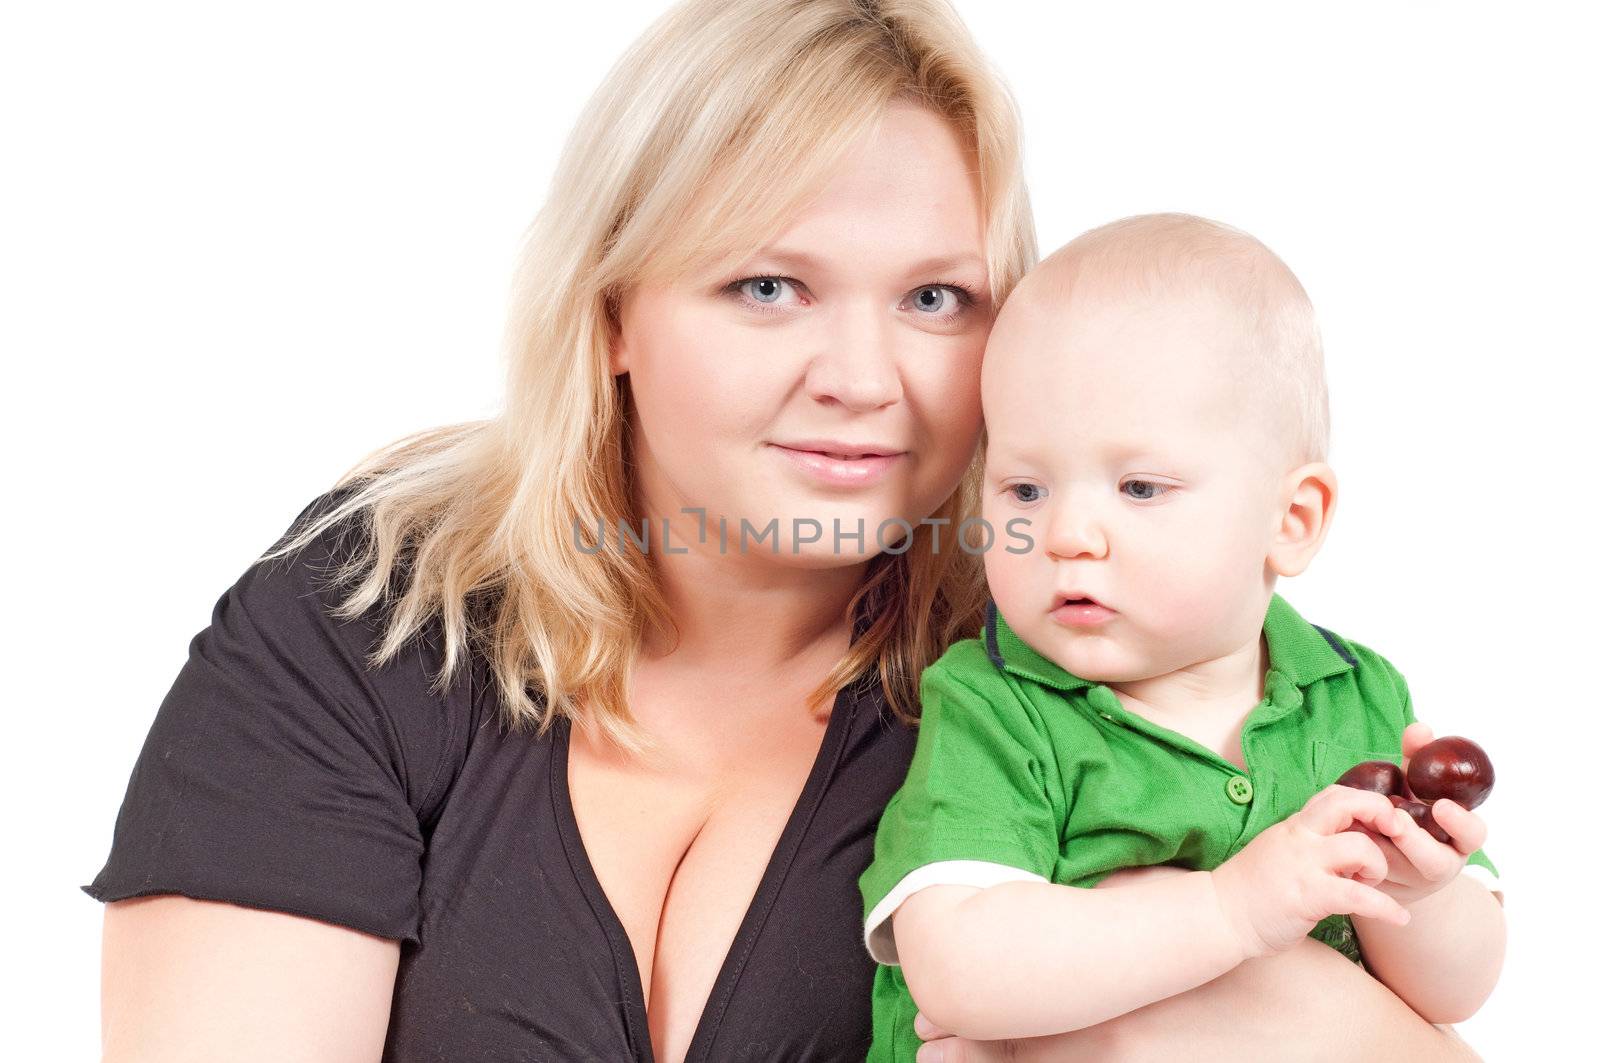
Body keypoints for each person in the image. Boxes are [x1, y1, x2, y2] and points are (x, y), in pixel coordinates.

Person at [81, 1, 1492, 1058]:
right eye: (768, 286)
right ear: (615, 308)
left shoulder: (1063, 681)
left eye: (936, 298)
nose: (864, 378)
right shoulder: (376, 609)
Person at [860, 213, 1508, 1061]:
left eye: (1138, 486)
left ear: (1291, 518)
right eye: (1023, 488)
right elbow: (960, 966)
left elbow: (1455, 993)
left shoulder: (1356, 694)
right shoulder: (996, 702)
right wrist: (1229, 910)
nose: (1067, 534)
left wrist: (1421, 895)